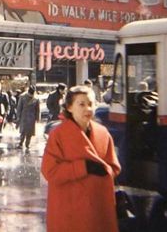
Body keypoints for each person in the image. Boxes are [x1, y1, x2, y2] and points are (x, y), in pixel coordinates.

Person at [41, 85, 121, 232]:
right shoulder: (58, 135)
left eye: (91, 104)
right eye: (81, 104)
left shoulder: (103, 133)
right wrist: (83, 167)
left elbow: (114, 166)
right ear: (69, 107)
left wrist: (106, 171)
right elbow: (49, 171)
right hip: (69, 210)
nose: (87, 109)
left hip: (98, 208)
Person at [16, 85, 40, 150]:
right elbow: (19, 107)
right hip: (24, 116)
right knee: (23, 131)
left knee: (30, 132)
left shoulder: (36, 99)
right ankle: (20, 143)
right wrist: (18, 116)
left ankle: (27, 144)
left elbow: (37, 109)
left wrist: (37, 118)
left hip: (32, 117)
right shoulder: (22, 97)